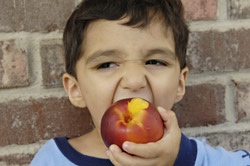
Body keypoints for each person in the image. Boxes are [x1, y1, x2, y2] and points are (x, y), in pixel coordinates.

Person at [31, 0, 250, 165]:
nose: (134, 81)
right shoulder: (52, 160)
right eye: (107, 64)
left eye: (155, 61)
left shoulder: (194, 158)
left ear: (180, 84)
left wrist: (179, 158)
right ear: (75, 90)